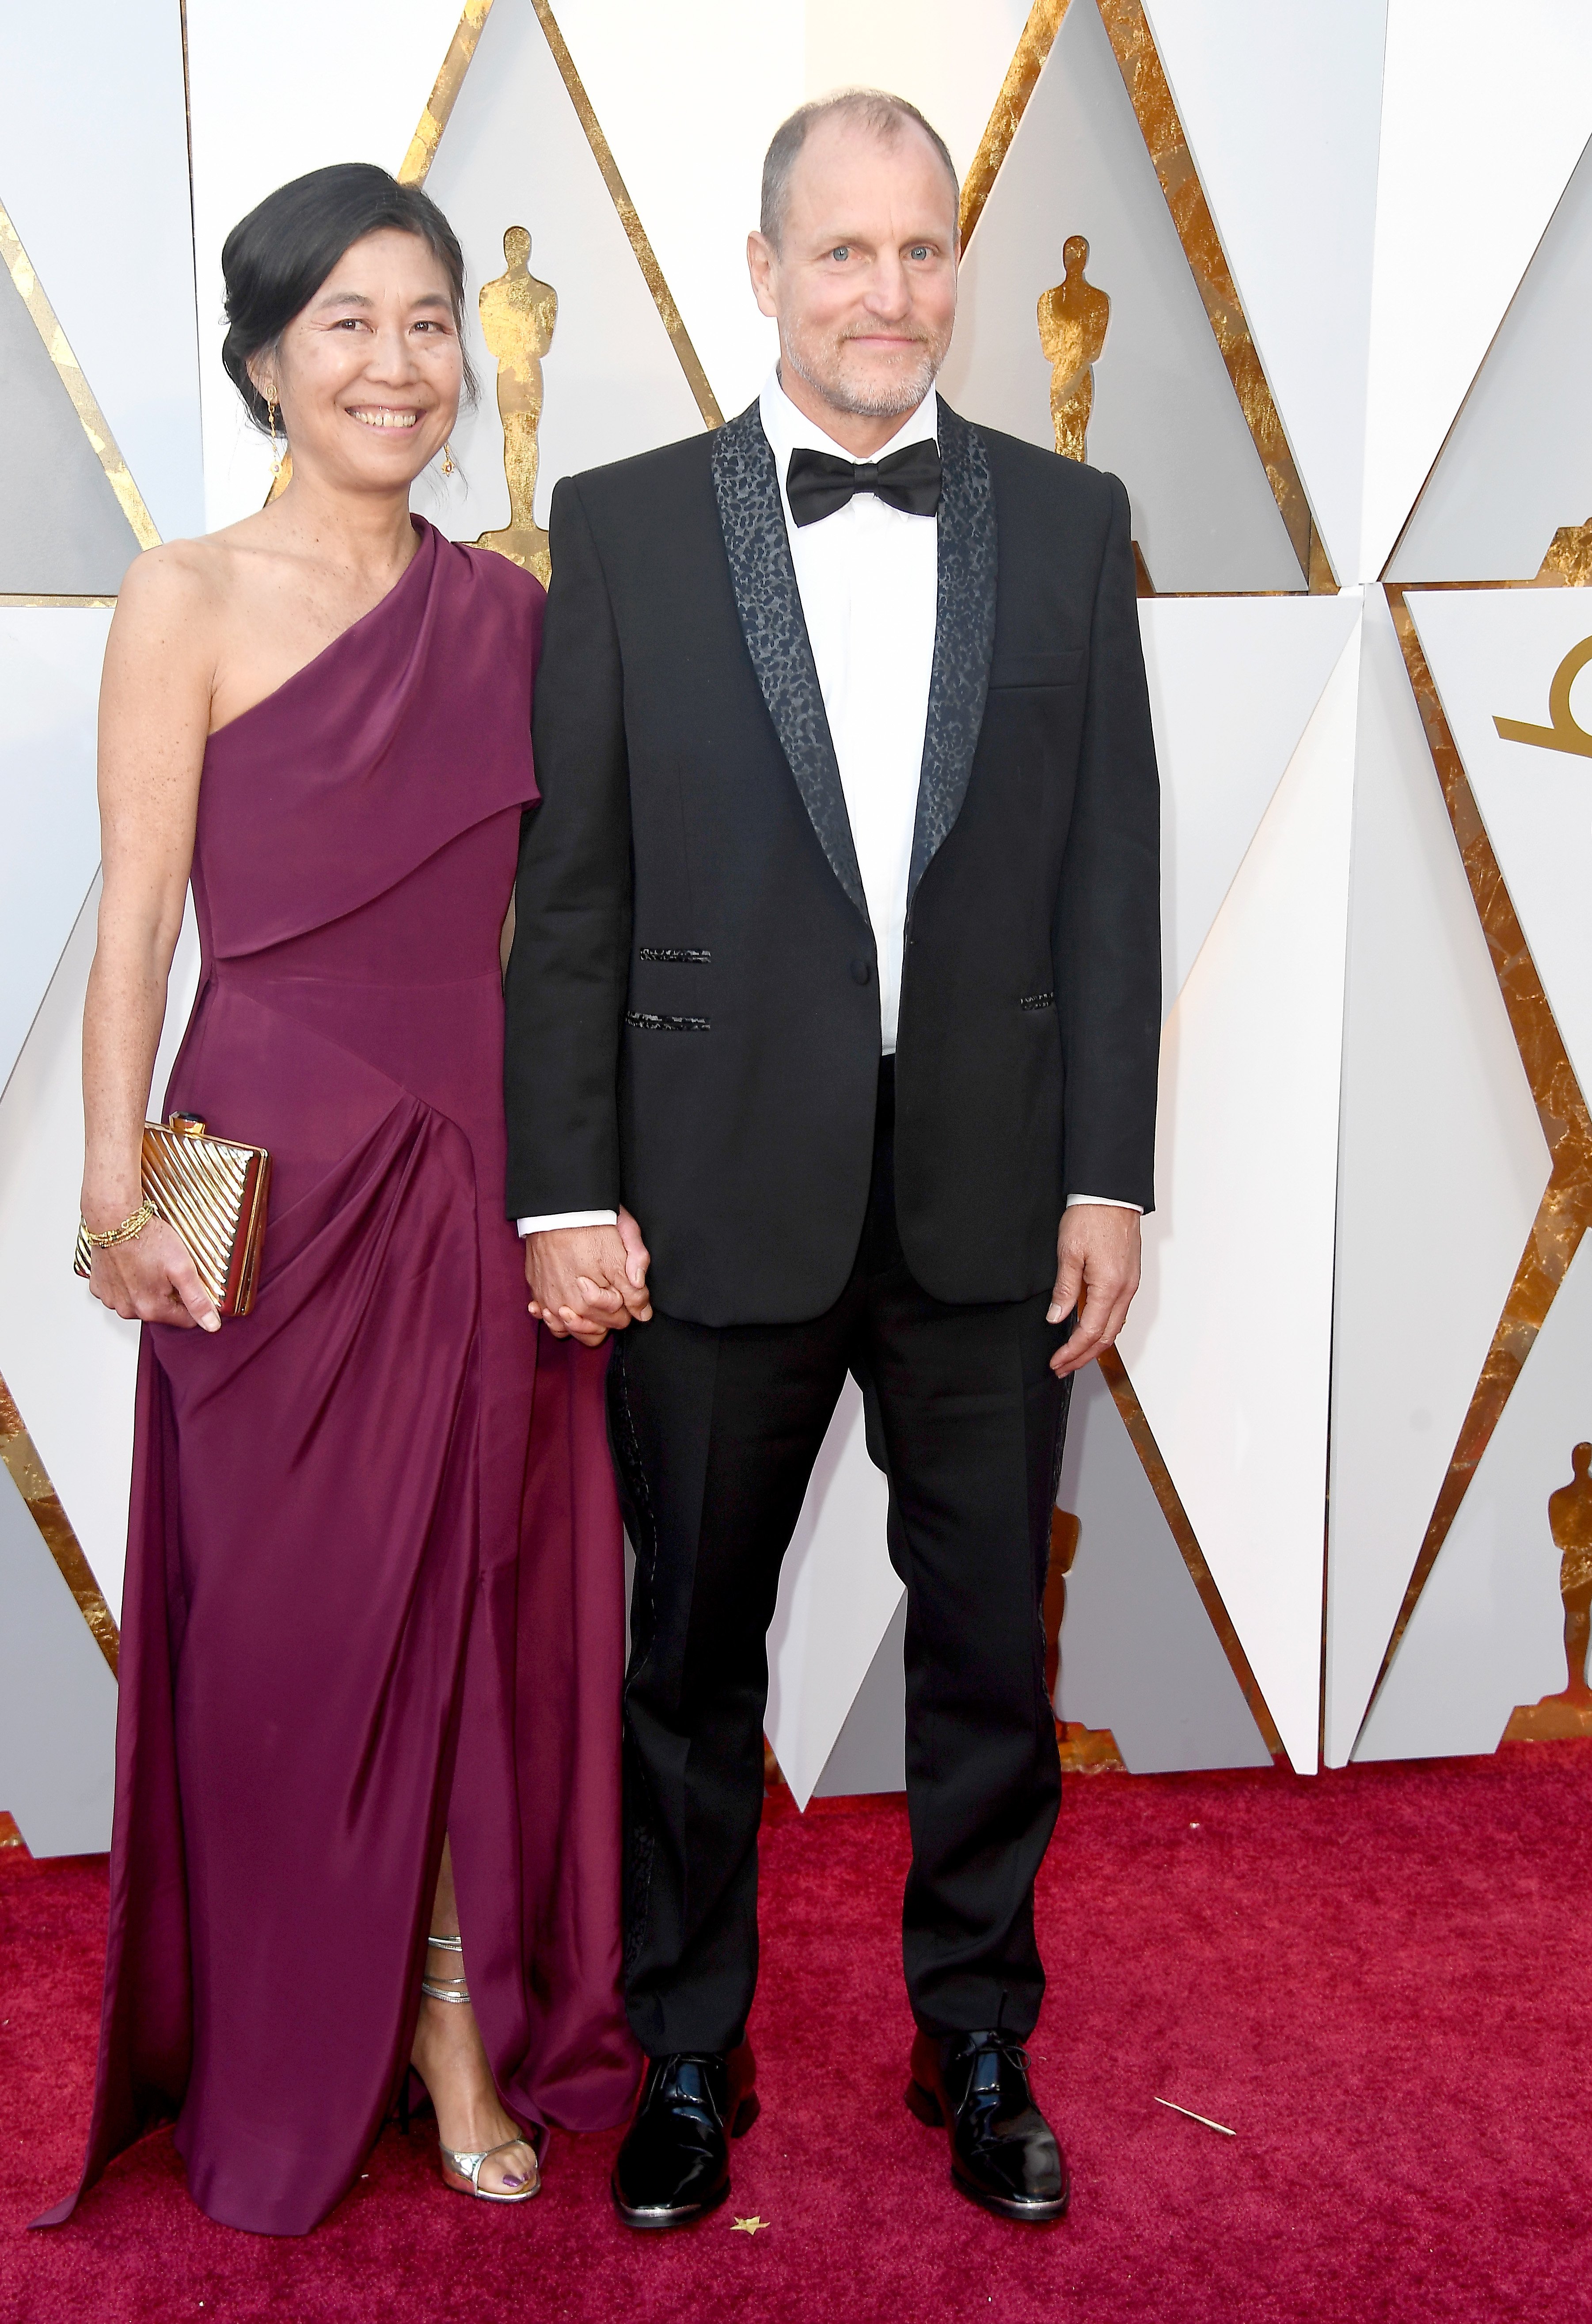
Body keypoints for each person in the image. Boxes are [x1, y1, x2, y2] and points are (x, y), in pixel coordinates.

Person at [503, 91, 1160, 2229]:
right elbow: (572, 893)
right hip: (702, 1198)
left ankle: (977, 2035)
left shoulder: (1069, 522)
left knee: (989, 1650)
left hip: (992, 1197)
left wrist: (1109, 1174)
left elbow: (1107, 882)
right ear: (763, 269)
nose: (889, 294)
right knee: (684, 1655)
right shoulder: (611, 528)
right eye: (844, 252)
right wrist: (567, 1187)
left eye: (923, 249)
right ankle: (690, 2056)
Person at [38, 162, 637, 2239]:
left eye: (425, 320)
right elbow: (135, 921)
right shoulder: (180, 593)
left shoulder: (517, 615)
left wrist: (583, 1186)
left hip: (473, 1170)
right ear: (268, 360)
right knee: (289, 1631)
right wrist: (115, 1187)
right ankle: (307, 2021)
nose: (396, 364)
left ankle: (456, 2023)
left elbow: (559, 942)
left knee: (471, 1614)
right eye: (347, 326)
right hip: (262, 1172)